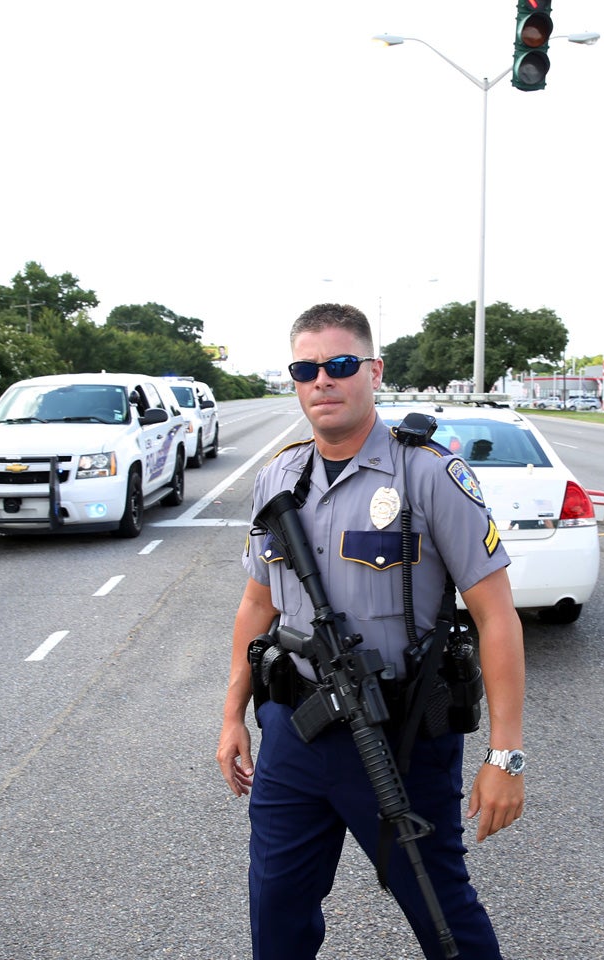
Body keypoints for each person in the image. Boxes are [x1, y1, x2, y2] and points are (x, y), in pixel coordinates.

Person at [217, 303, 526, 959]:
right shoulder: (279, 478)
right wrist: (231, 715)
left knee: (442, 916)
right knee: (276, 913)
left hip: (401, 740)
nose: (322, 380)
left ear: (374, 371)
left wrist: (506, 756)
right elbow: (256, 604)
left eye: (339, 364)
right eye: (306, 368)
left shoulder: (430, 475)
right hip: (295, 737)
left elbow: (497, 615)